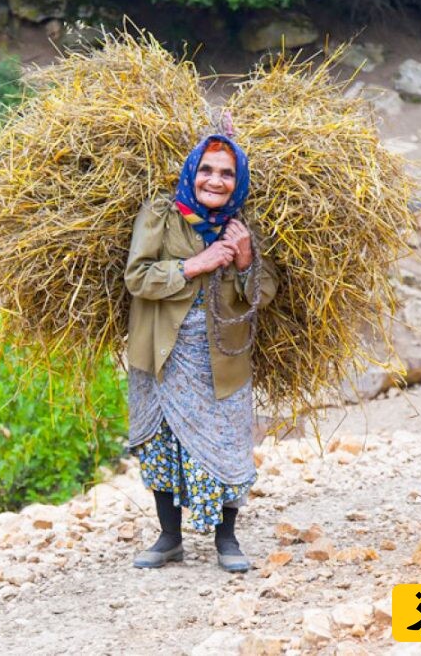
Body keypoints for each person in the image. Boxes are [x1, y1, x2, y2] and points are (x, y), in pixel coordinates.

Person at [124, 134, 278, 572]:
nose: (216, 180)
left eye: (227, 173)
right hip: (161, 353)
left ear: (239, 180)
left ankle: (226, 540)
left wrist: (245, 259)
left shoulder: (243, 226)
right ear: (192, 171)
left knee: (228, 444)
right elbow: (137, 278)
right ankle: (169, 537)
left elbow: (263, 294)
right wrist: (197, 263)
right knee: (162, 444)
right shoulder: (161, 214)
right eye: (207, 169)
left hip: (222, 358)